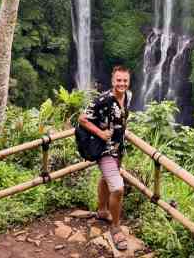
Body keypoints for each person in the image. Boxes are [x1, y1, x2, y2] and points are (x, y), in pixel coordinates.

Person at [77, 65, 132, 251]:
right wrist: (101, 134)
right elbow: (82, 119)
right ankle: (115, 228)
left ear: (128, 81)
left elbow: (122, 118)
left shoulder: (128, 96)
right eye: (119, 80)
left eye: (125, 80)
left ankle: (102, 210)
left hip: (119, 148)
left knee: (106, 178)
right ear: (112, 80)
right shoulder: (103, 99)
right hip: (105, 151)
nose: (122, 83)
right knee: (117, 188)